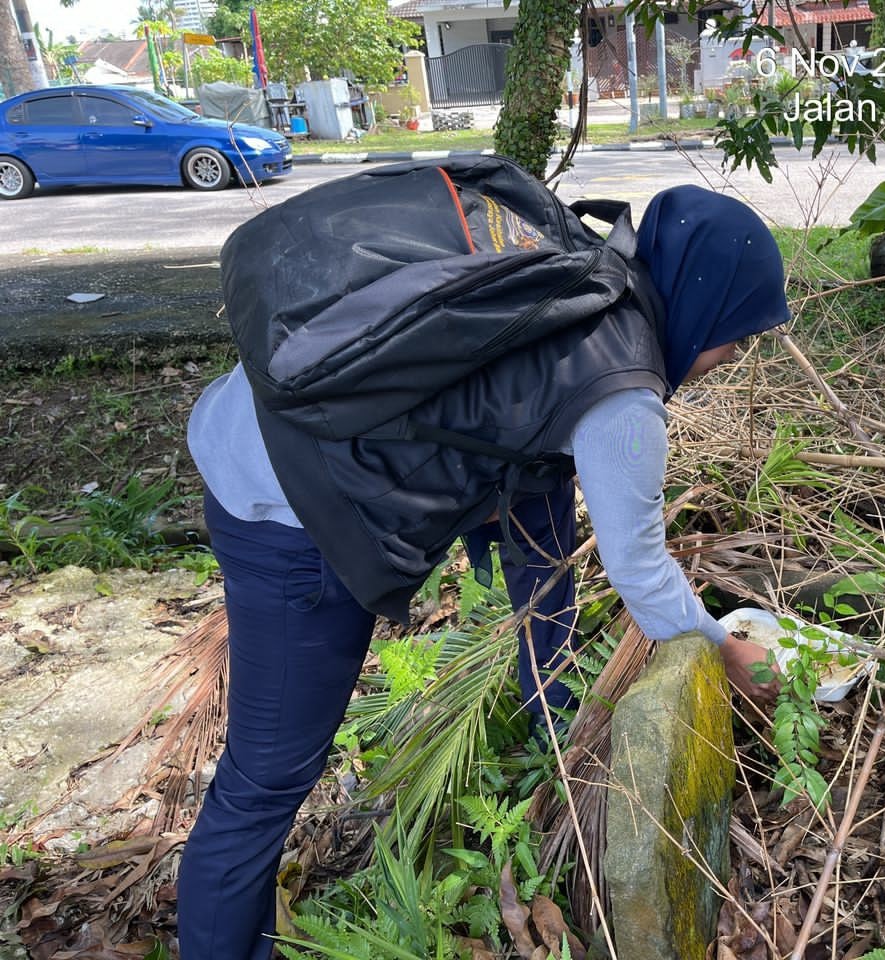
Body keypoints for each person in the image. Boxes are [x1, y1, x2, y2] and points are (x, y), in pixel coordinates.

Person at [176, 181, 791, 959]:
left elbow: (536, 499)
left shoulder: (576, 270)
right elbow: (640, 570)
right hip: (288, 508)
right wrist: (727, 649)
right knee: (265, 781)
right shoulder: (624, 394)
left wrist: (562, 714)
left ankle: (551, 714)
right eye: (733, 340)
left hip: (262, 432)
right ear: (704, 304)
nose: (726, 361)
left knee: (540, 511)